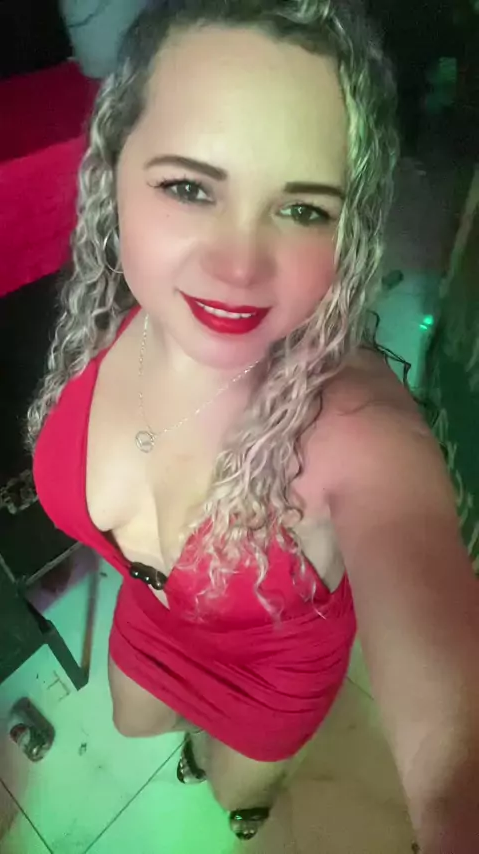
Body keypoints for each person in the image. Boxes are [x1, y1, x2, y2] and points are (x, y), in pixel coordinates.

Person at [28, 1, 479, 849]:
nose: (239, 267)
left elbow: (456, 746)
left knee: (237, 788)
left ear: (347, 233)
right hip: (150, 620)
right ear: (112, 169)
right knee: (132, 720)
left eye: (303, 209)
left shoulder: (352, 422)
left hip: (270, 673)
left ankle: (249, 799)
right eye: (189, 187)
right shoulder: (102, 318)